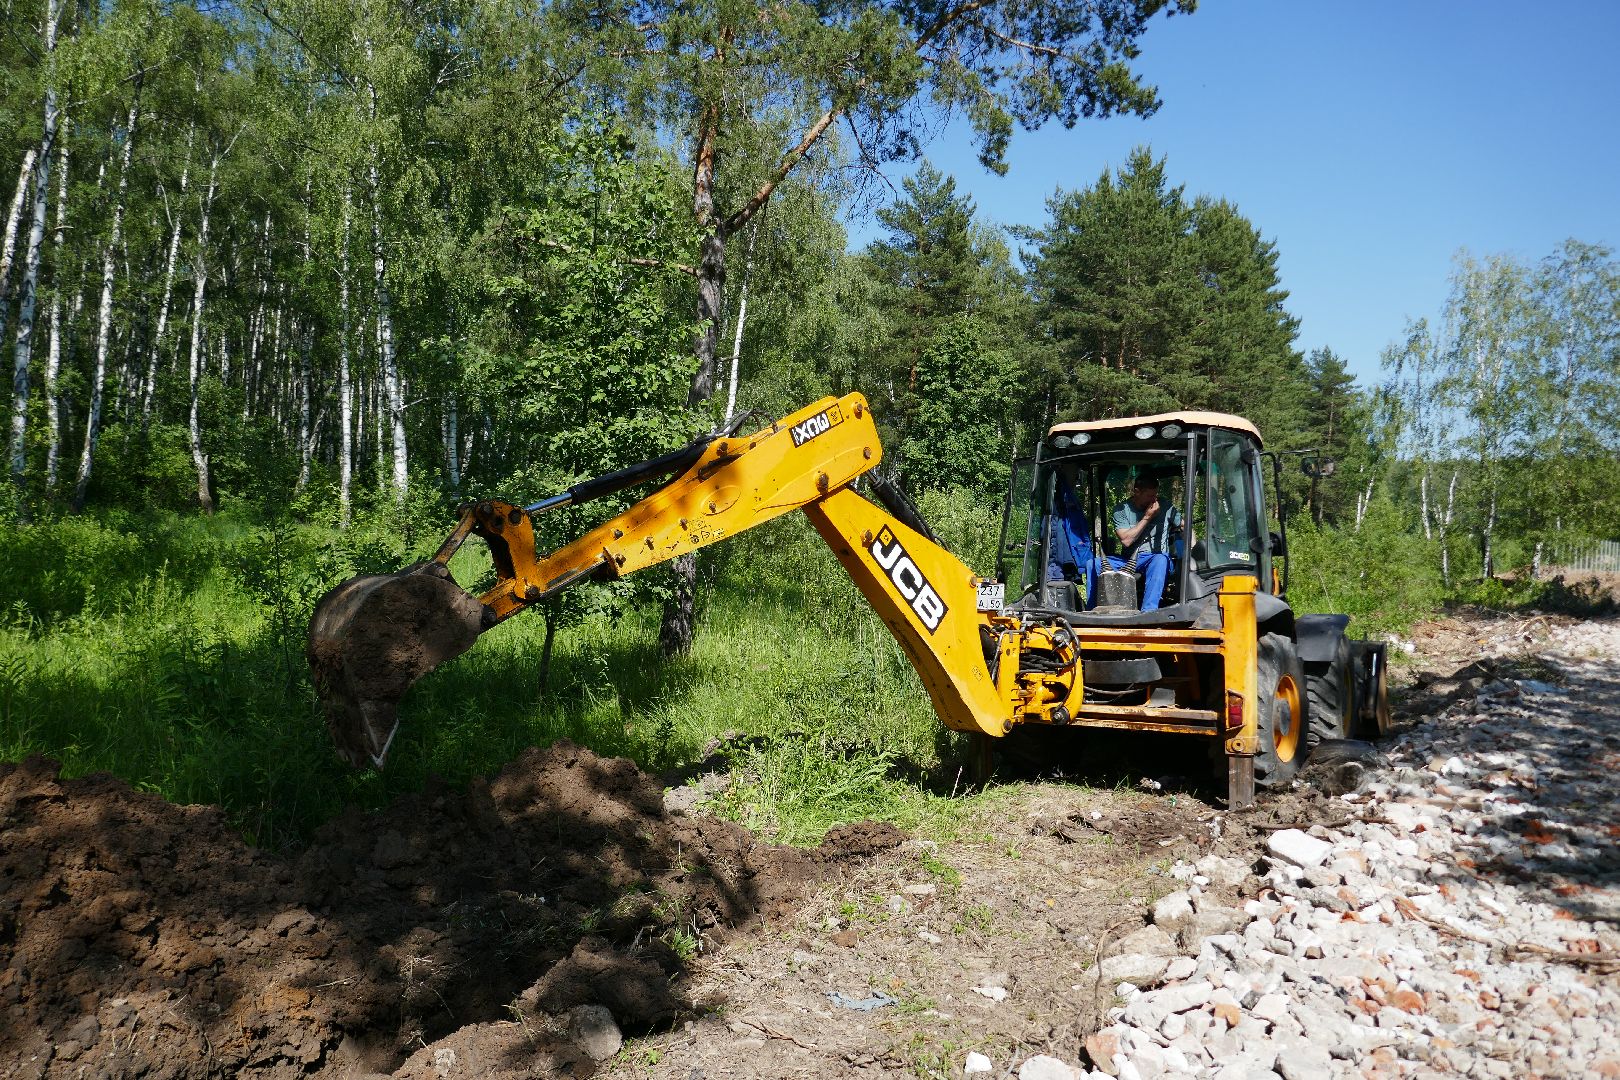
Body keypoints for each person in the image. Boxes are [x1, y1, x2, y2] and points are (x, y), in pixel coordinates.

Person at [1087, 471, 1182, 611]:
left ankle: (1149, 611)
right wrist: (1147, 517)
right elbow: (1126, 540)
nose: (1154, 500)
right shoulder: (1121, 510)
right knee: (1093, 563)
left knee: (1161, 560)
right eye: (1149, 496)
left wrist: (1194, 549)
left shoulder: (1166, 506)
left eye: (1155, 495)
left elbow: (1184, 525)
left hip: (1154, 557)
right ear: (1137, 492)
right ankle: (1093, 610)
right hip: (1128, 559)